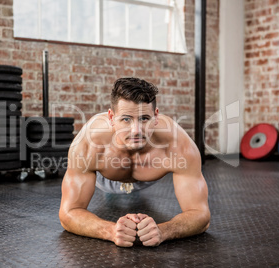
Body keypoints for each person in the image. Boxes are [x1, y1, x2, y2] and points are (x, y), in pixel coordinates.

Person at [59, 77, 210, 247]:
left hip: (147, 177)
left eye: (144, 118)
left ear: (156, 116)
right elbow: (68, 214)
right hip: (106, 177)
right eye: (126, 119)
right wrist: (110, 231)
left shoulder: (178, 145)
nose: (136, 130)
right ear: (111, 117)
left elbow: (201, 215)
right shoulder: (89, 143)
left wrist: (163, 231)